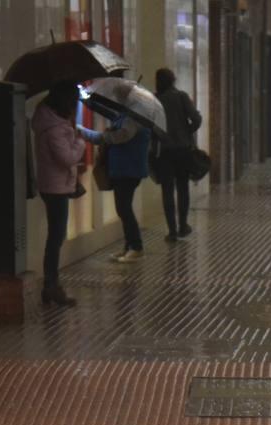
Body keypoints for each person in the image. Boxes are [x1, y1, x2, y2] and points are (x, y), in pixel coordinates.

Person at [30, 82, 87, 306]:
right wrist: (80, 143)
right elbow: (67, 159)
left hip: (54, 185)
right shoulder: (54, 129)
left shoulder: (53, 124)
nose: (75, 107)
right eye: (74, 102)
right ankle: (51, 286)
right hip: (55, 188)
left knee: (56, 236)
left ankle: (51, 286)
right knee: (56, 238)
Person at [85, 112, 150, 262]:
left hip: (129, 170)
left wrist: (95, 135)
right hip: (123, 170)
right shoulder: (124, 117)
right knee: (123, 209)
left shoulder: (132, 119)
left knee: (124, 209)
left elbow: (121, 136)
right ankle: (129, 247)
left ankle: (137, 248)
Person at [153, 68, 203, 242]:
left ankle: (171, 230)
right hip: (182, 150)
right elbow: (196, 119)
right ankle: (183, 225)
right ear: (173, 80)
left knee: (167, 190)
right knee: (183, 188)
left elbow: (151, 125)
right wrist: (186, 131)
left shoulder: (155, 99)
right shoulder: (181, 96)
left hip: (164, 151)